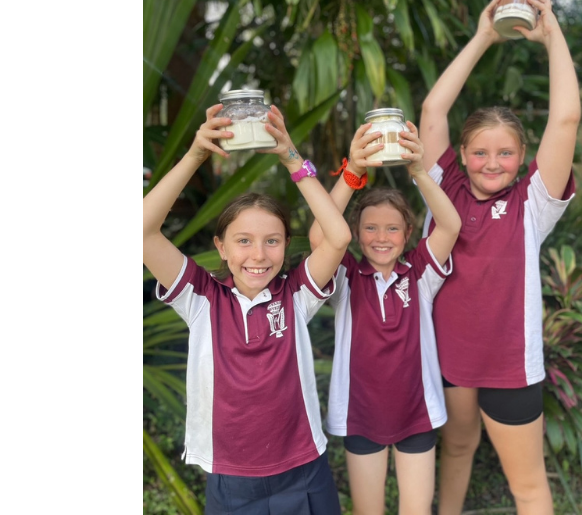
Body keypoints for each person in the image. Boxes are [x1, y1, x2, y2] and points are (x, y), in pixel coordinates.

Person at [142, 103, 352, 514]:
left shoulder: (295, 295)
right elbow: (142, 231)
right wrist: (196, 154)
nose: (258, 254)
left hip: (304, 468)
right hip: (232, 476)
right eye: (243, 241)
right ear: (220, 246)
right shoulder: (201, 297)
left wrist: (291, 156)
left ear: (286, 246)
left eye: (272, 240)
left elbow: (338, 237)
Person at [418, 0, 581, 515]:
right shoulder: (442, 188)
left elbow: (565, 120)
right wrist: (485, 34)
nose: (493, 163)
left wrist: (552, 34)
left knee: (528, 487)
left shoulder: (532, 204)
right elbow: (432, 108)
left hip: (511, 366)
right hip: (451, 357)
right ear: (460, 155)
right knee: (458, 449)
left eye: (506, 152)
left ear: (522, 157)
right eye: (481, 152)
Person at [308, 121, 462, 515]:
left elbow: (450, 225)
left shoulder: (421, 274)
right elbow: (318, 236)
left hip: (417, 413)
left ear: (408, 232)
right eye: (370, 228)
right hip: (360, 416)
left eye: (392, 228)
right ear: (356, 236)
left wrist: (418, 171)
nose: (381, 237)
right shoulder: (345, 277)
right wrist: (353, 172)